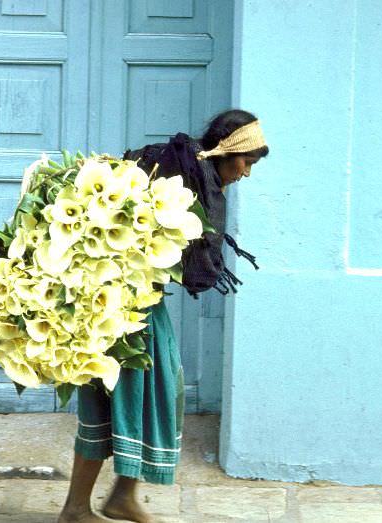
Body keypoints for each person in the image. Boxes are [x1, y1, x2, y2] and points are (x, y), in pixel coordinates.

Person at [57, 109, 269, 523]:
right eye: (247, 163)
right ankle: (75, 508)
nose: (247, 174)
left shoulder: (198, 178)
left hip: (143, 303)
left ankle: (121, 496)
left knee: (156, 392)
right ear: (228, 151)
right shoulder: (171, 170)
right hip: (116, 307)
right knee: (114, 398)